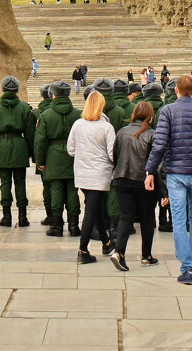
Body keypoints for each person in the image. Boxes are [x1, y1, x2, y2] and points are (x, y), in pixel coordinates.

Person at [145, 75, 192, 284]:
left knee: (179, 218)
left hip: (176, 171)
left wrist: (150, 170)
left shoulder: (168, 111)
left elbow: (159, 144)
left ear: (176, 90)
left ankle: (186, 267)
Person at [110, 101, 164, 271]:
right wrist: (163, 189)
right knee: (147, 217)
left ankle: (120, 252)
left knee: (126, 216)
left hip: (121, 178)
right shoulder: (151, 134)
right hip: (143, 180)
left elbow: (116, 156)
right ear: (150, 116)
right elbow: (157, 162)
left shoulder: (122, 132)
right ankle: (146, 255)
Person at [67, 90, 116, 264]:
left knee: (96, 208)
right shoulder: (106, 127)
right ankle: (83, 249)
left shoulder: (78, 124)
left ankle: (106, 242)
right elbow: (112, 153)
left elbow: (70, 150)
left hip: (82, 173)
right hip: (100, 173)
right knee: (91, 210)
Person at [0, 76, 35, 228]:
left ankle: (6, 216)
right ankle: (22, 217)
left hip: (1, 146)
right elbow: (30, 133)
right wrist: (30, 152)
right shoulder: (25, 108)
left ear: (3, 89)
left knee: (5, 183)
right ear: (16, 90)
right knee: (20, 182)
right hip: (19, 145)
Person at [35, 81, 81, 237]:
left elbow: (40, 141)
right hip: (73, 155)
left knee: (56, 190)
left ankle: (57, 226)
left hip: (53, 156)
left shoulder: (46, 115)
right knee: (72, 191)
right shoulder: (77, 114)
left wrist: (40, 162)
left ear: (53, 95)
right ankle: (74, 226)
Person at [34, 83, 54, 226]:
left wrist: (36, 157)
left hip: (44, 153)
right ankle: (72, 222)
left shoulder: (36, 113)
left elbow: (33, 137)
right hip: (64, 154)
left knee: (47, 186)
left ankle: (51, 216)